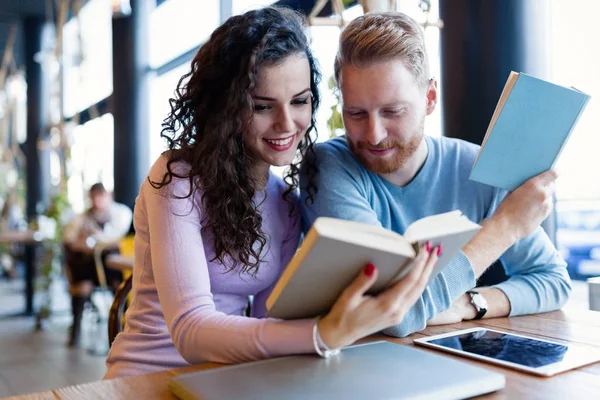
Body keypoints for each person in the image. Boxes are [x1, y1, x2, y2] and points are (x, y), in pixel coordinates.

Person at [104, 7, 441, 379]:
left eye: (299, 101)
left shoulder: (285, 201)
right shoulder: (177, 179)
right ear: (227, 107)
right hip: (145, 379)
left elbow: (270, 321)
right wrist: (323, 333)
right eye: (262, 106)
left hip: (228, 378)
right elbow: (189, 330)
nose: (287, 123)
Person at [301, 12, 571, 338]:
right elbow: (395, 314)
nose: (373, 134)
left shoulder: (475, 167)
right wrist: (505, 227)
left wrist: (470, 304)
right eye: (356, 113)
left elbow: (554, 281)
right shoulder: (329, 165)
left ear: (429, 98)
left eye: (392, 111)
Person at [63, 182, 133, 347]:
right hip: (89, 264)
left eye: (100, 196)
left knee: (120, 286)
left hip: (112, 264)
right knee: (81, 283)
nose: (97, 201)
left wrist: (95, 239)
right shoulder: (82, 217)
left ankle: (125, 330)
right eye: (94, 197)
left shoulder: (120, 213)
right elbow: (70, 239)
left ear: (107, 196)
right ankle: (76, 329)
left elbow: (118, 238)